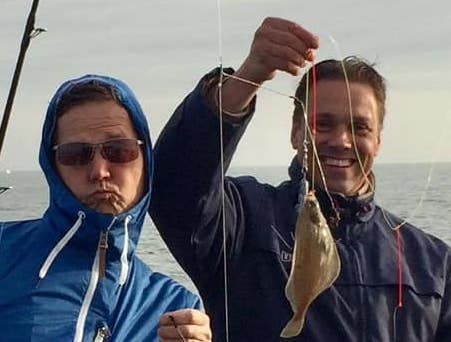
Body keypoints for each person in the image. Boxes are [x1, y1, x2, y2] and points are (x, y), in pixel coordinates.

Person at [149, 17, 451, 341]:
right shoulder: (243, 221)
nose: (342, 140)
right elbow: (173, 187)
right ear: (296, 133)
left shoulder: (434, 263)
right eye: (322, 123)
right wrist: (249, 76)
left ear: (378, 141)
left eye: (359, 127)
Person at [0, 74, 212, 342]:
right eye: (75, 154)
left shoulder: (176, 306)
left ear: (146, 160)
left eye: (119, 150)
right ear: (53, 167)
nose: (99, 171)